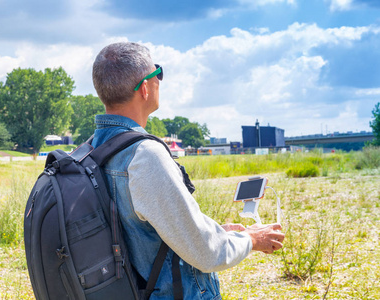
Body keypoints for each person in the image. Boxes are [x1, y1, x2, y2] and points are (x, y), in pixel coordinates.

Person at [91, 42, 285, 299]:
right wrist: (252, 238)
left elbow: (137, 230)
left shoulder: (92, 150)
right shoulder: (145, 156)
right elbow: (207, 253)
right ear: (146, 88)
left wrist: (213, 230)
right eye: (157, 72)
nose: (160, 79)